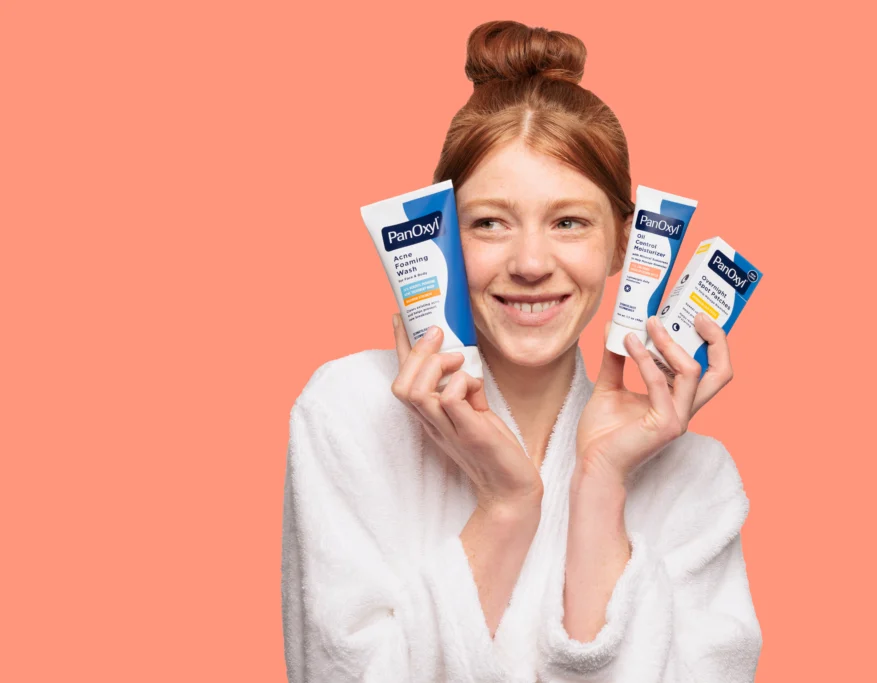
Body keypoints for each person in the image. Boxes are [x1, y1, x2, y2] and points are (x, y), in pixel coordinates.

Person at [282, 20, 762, 683]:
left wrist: (600, 487)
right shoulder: (351, 415)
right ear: (445, 234)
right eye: (490, 223)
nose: (531, 262)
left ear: (622, 241)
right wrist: (507, 507)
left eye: (569, 222)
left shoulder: (696, 483)